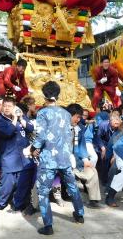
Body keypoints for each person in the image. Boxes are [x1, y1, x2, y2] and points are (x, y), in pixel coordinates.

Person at [33, 81, 85, 236]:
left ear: (44, 95)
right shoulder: (66, 113)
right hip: (64, 158)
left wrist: (34, 148)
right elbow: (69, 135)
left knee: (43, 191)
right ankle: (80, 215)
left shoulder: (42, 113)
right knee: (72, 187)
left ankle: (48, 226)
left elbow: (40, 135)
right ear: (58, 94)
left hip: (48, 159)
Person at [0, 97, 35, 212]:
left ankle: (18, 203)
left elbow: (31, 128)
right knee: (6, 184)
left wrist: (20, 118)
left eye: (10, 106)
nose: (7, 108)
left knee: (23, 183)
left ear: (14, 107)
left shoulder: (21, 117)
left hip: (24, 157)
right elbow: (8, 132)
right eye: (5, 106)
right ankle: (0, 203)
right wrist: (15, 119)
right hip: (9, 157)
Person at [67, 103, 103, 209]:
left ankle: (93, 199)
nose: (79, 119)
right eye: (77, 117)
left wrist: (85, 159)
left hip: (77, 159)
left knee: (92, 171)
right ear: (70, 115)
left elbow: (82, 145)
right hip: (62, 160)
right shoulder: (60, 126)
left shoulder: (80, 128)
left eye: (80, 117)